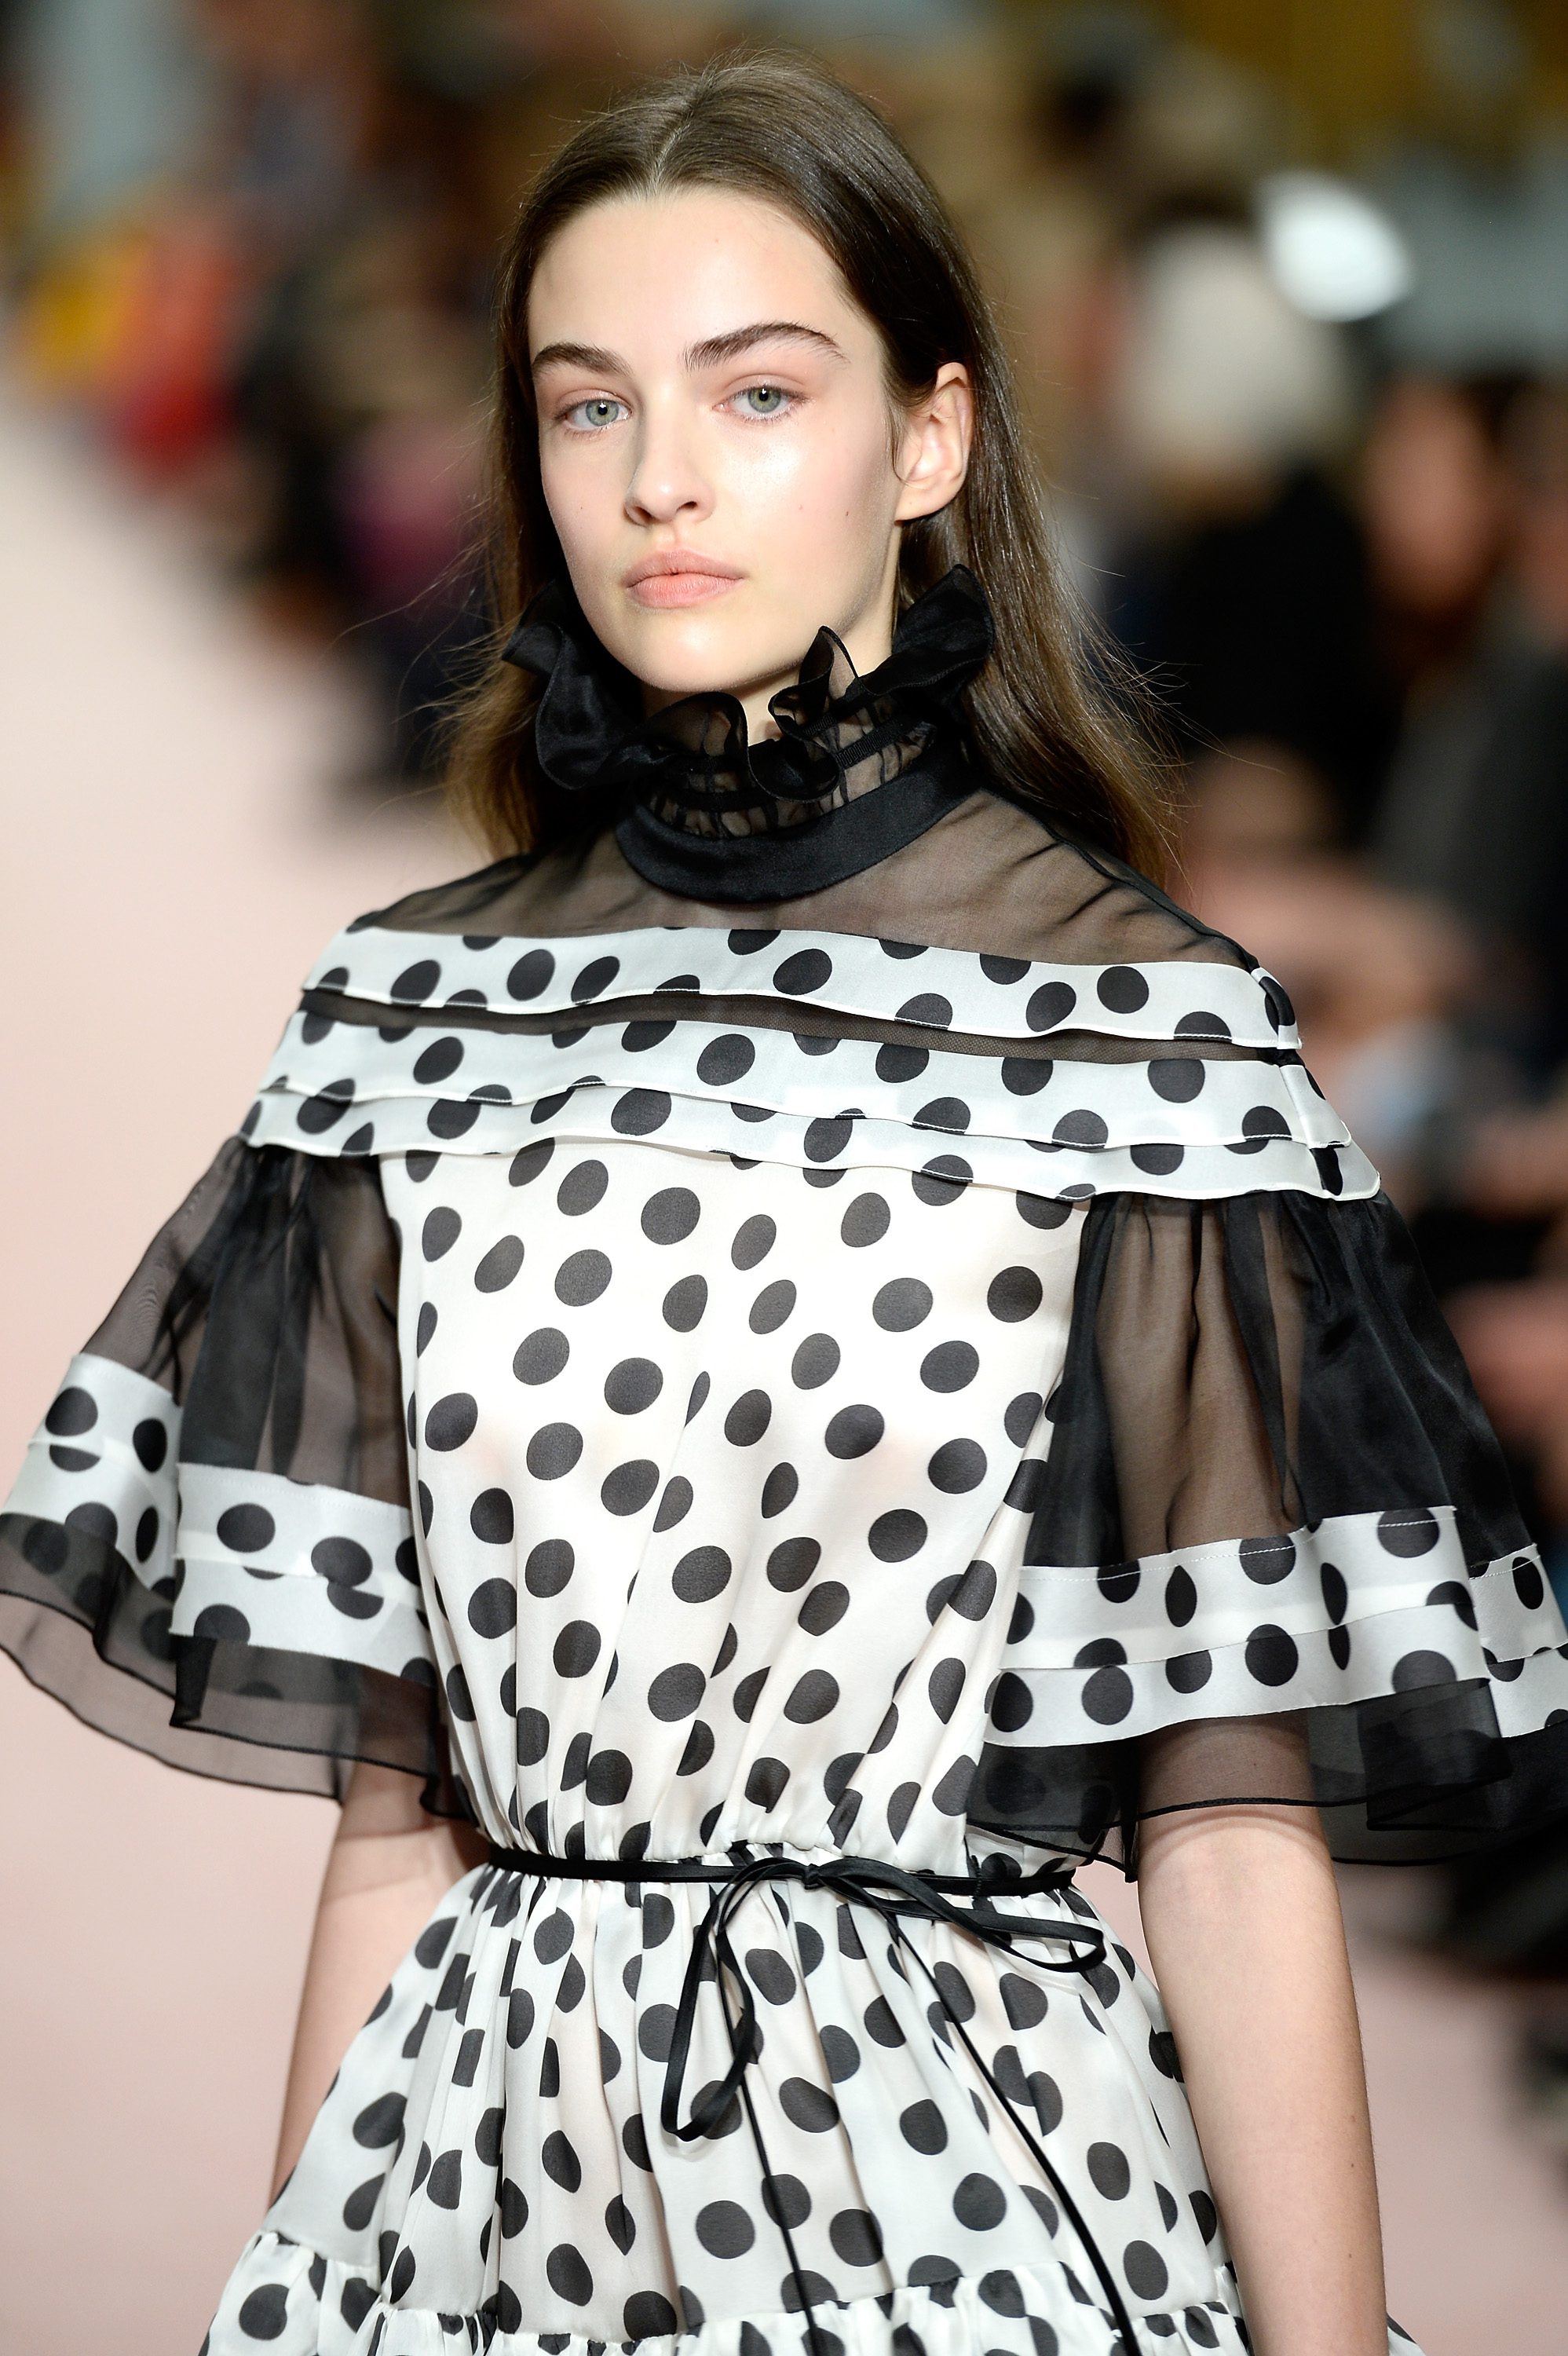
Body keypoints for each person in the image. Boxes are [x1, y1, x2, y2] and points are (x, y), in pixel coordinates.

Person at [2, 53, 1563, 2356]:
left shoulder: (1139, 1048)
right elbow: (399, 1823)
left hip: (967, 2178)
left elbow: (1225, 1825)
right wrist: (297, 2292)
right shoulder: (411, 1024)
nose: (661, 478)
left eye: (756, 391)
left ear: (930, 439)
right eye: (588, 404)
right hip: (490, 2177)